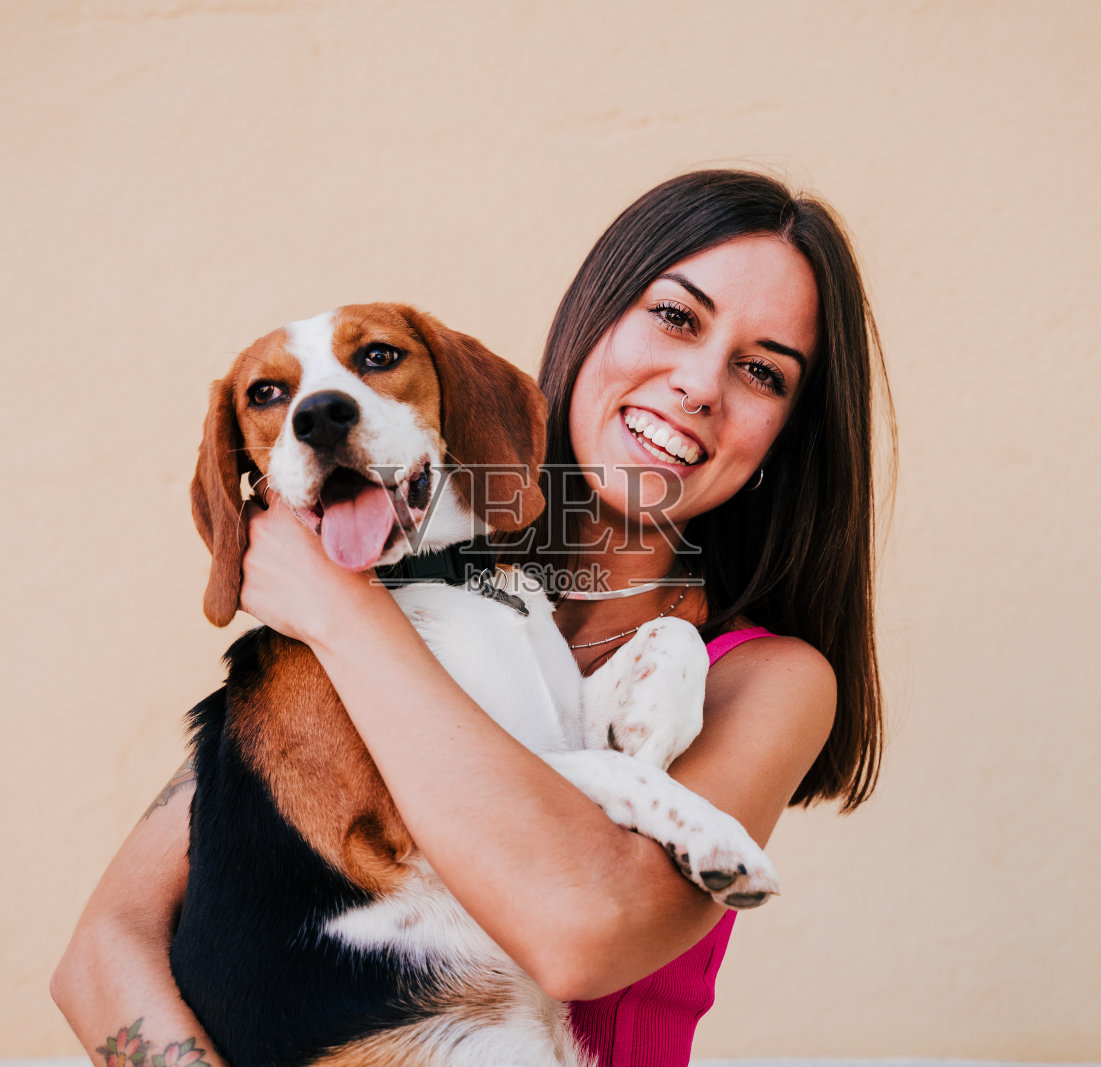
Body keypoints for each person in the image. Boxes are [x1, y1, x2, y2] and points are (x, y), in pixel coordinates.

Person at [52, 169, 893, 1067]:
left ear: (783, 437)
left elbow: (578, 935)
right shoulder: (375, 621)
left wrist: (341, 608)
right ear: (595, 317)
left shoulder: (768, 678)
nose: (697, 384)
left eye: (762, 370)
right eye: (676, 317)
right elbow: (104, 948)